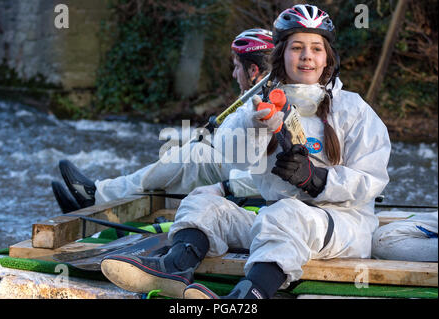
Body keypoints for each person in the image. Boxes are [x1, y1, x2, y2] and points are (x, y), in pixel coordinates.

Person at [99, 4, 391, 300]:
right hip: (277, 221)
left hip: (342, 227)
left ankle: (247, 297)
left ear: (327, 57)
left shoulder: (354, 110)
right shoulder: (261, 105)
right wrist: (256, 126)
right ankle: (172, 269)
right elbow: (230, 156)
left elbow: (373, 178)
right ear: (281, 55)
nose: (306, 57)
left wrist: (317, 179)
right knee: (204, 203)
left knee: (285, 214)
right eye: (297, 48)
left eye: (316, 48)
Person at [52, 28, 275, 213]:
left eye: (237, 67)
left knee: (193, 155)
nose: (234, 75)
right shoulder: (255, 94)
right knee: (178, 174)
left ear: (254, 70)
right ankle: (100, 210)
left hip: (245, 179)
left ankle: (97, 196)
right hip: (234, 168)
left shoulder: (269, 99)